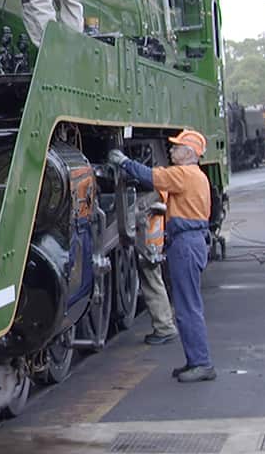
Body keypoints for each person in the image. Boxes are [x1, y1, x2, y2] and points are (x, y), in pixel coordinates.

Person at [109, 130, 216, 382]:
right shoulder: (198, 176)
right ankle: (195, 361)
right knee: (188, 306)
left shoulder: (184, 174)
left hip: (186, 245)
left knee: (188, 307)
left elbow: (151, 176)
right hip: (192, 241)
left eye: (176, 147)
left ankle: (202, 363)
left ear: (189, 153)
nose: (171, 151)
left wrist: (124, 162)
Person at [136, 190, 179, 345]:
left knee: (153, 284)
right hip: (151, 246)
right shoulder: (160, 193)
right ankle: (165, 326)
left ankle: (165, 328)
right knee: (154, 282)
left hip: (148, 248)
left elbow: (138, 214)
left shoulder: (152, 197)